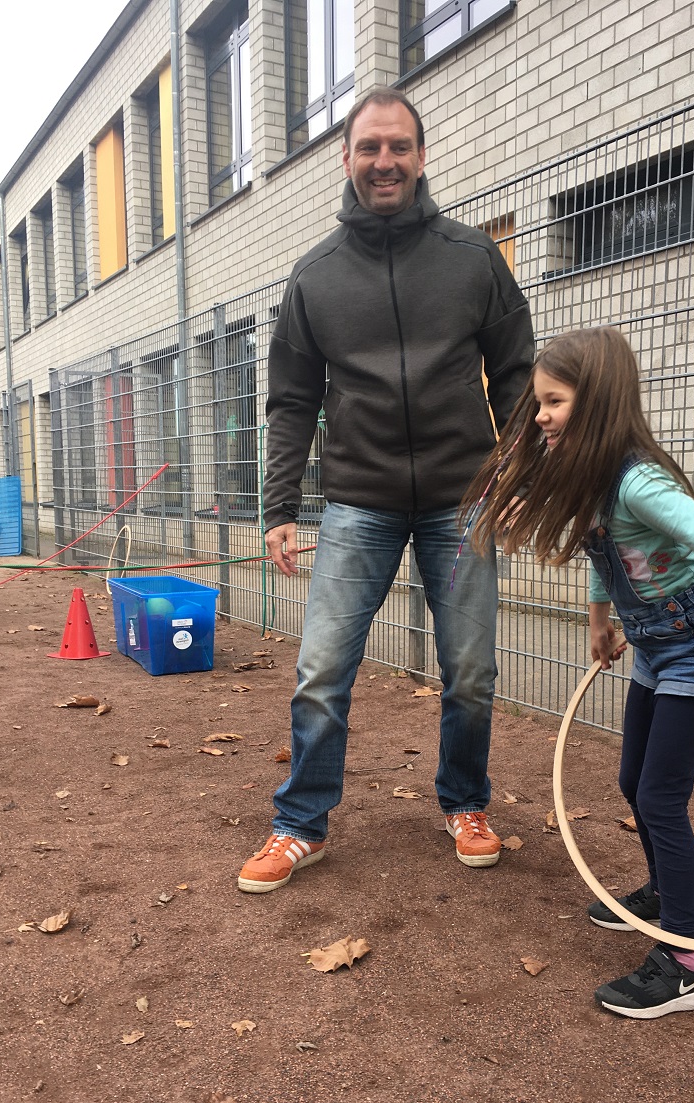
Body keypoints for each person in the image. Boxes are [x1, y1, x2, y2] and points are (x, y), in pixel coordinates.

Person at [462, 326, 694, 1018]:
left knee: (662, 797)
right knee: (632, 780)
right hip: (655, 646)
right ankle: (665, 894)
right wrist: (600, 622)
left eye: (553, 401)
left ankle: (686, 963)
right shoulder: (588, 476)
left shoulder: (640, 484)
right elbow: (602, 553)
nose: (540, 415)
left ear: (598, 400)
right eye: (538, 402)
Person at [237, 87, 535, 893]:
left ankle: (465, 803)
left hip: (461, 498)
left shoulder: (475, 259)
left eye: (398, 146)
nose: (384, 161)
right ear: (346, 159)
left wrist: (516, 476)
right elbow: (291, 400)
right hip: (357, 503)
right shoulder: (315, 278)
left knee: (470, 671)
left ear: (422, 155)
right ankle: (301, 824)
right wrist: (279, 507)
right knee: (322, 669)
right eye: (369, 148)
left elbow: (515, 376)